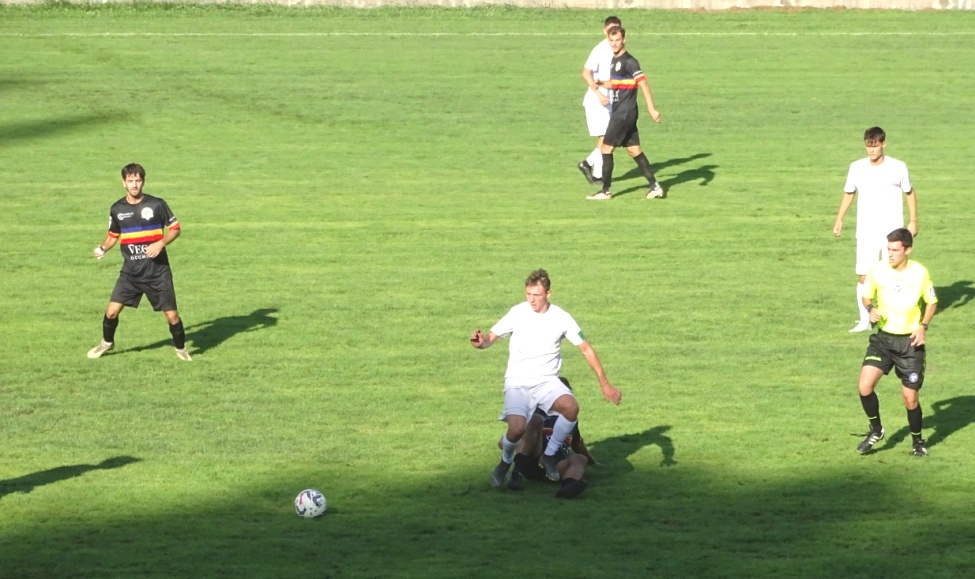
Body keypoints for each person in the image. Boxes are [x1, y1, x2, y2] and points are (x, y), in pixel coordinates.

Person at [470, 269, 620, 488]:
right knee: (516, 430)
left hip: (546, 381)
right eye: (528, 294)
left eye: (536, 295)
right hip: (518, 382)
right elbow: (490, 338)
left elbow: (586, 349)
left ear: (548, 294)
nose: (531, 300)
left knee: (571, 407)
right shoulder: (517, 312)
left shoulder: (562, 318)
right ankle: (505, 462)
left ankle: (549, 455)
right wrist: (480, 342)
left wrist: (604, 384)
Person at [87, 163, 191, 361]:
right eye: (130, 181)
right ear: (123, 183)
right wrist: (103, 248)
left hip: (158, 273)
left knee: (171, 316)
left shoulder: (157, 205)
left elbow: (175, 229)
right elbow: (112, 236)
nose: (134, 184)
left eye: (138, 180)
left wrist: (161, 243)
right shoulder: (117, 209)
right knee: (111, 312)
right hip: (131, 273)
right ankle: (107, 343)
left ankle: (181, 349)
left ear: (143, 181)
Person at [854, 228, 937, 457]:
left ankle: (917, 441)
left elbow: (932, 302)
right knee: (864, 386)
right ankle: (876, 430)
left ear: (907, 250)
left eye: (895, 250)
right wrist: (870, 309)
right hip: (883, 340)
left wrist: (923, 326)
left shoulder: (920, 273)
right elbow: (866, 295)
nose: (890, 254)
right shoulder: (877, 270)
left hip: (910, 344)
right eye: (888, 249)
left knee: (910, 399)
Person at [833, 126, 918, 332]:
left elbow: (909, 192)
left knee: (894, 272)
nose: (871, 150)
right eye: (868, 146)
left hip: (892, 231)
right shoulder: (856, 168)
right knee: (864, 274)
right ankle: (865, 320)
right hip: (866, 229)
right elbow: (849, 193)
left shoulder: (898, 167)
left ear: (883, 144)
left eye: (875, 146)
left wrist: (913, 221)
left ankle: (895, 317)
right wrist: (839, 218)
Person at [586, 26, 664, 201]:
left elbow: (643, 84)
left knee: (606, 148)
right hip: (624, 112)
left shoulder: (630, 61)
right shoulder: (614, 61)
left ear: (624, 40)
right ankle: (655, 187)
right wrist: (601, 83)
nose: (614, 44)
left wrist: (651, 109)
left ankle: (605, 191)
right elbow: (618, 84)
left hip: (623, 113)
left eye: (617, 40)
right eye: (611, 41)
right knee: (634, 150)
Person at [506, 379, 597, 499]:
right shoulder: (536, 412)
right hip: (536, 459)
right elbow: (514, 438)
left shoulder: (570, 419)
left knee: (580, 458)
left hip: (557, 464)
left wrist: (592, 461)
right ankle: (517, 472)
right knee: (535, 420)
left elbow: (577, 444)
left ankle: (568, 486)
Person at [577, 15, 622, 186]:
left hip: (609, 100)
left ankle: (596, 173)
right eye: (611, 29)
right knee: (609, 136)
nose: (613, 33)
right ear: (605, 31)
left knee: (607, 136)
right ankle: (588, 163)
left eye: (616, 29)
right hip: (598, 100)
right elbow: (585, 73)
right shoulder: (600, 50)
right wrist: (599, 94)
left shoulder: (616, 50)